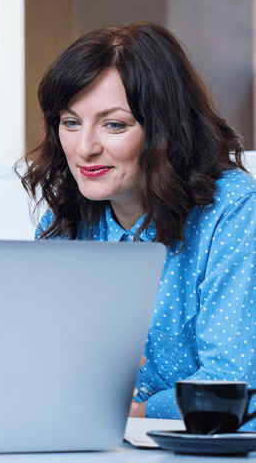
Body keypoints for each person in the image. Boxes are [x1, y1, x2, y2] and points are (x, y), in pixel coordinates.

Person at [19, 21, 256, 424]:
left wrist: (141, 412)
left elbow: (231, 381)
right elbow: (42, 366)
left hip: (212, 446)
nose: (85, 148)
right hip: (105, 441)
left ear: (165, 129)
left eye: (114, 124)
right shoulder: (63, 223)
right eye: (71, 122)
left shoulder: (234, 210)